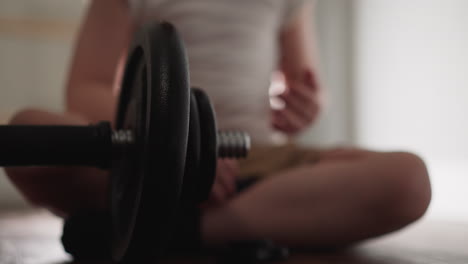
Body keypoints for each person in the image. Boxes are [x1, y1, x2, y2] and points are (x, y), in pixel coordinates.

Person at [5, 0, 431, 251]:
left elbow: (306, 86)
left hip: (260, 162)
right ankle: (233, 223)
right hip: (147, 158)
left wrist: (307, 107)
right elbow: (87, 87)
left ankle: (179, 232)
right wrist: (176, 153)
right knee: (27, 131)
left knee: (409, 181)